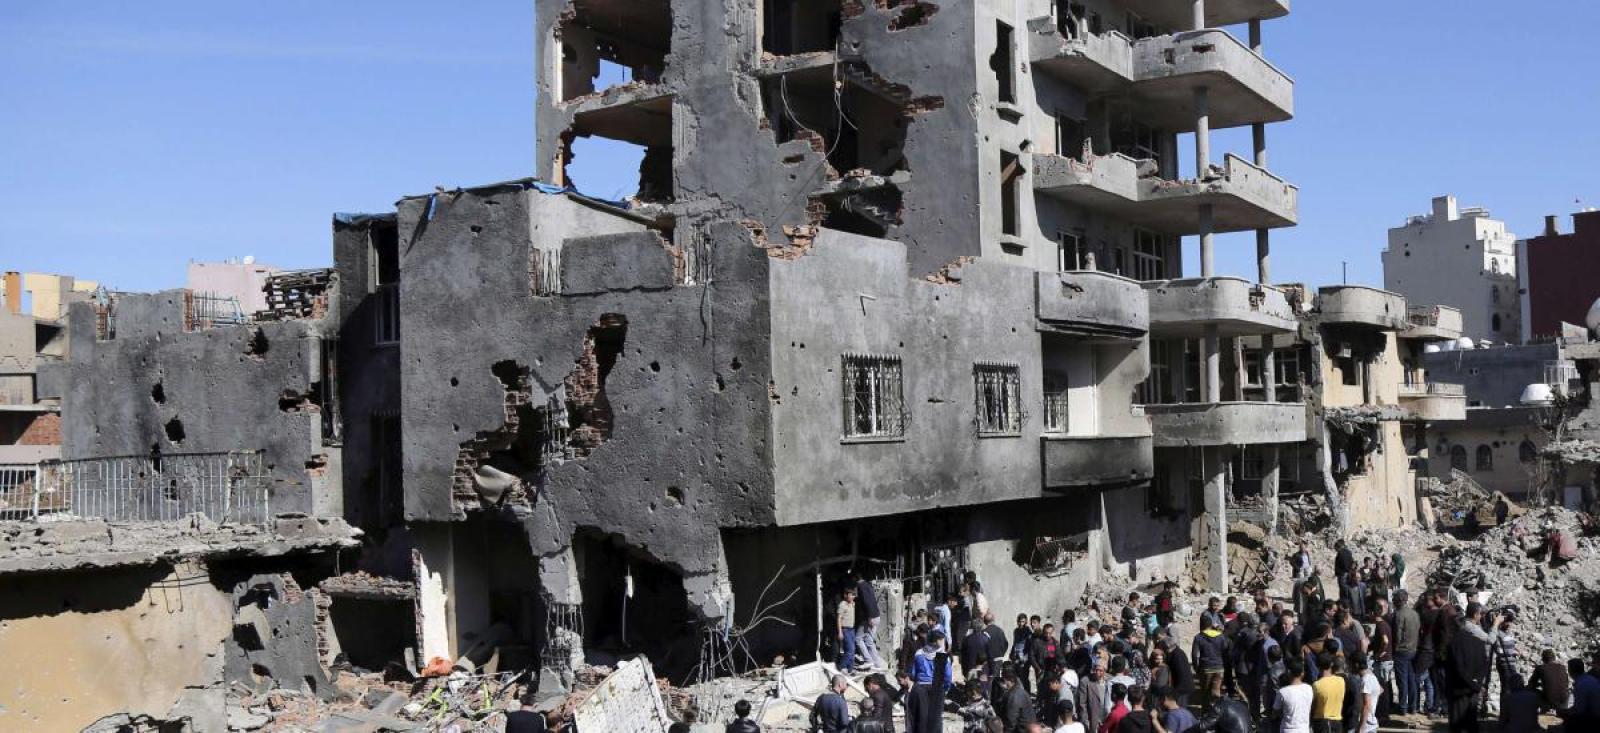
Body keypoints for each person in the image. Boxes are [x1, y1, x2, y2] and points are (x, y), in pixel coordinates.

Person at [1443, 605, 1491, 733]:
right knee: (1472, 723)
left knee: (1457, 725)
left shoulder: (1453, 644)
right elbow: (1485, 664)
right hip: (1473, 690)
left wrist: (1471, 683)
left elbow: (1458, 668)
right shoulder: (1479, 642)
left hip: (1458, 690)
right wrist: (1477, 683)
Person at [1391, 591, 1419, 716]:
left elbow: (1397, 634)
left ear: (1398, 601)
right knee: (1411, 679)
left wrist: (1395, 648)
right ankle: (1412, 707)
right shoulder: (1415, 614)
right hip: (1413, 649)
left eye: (1394, 599)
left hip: (1402, 650)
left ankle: (1402, 707)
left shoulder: (1398, 615)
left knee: (1402, 680)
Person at [1191, 616, 1229, 708]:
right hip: (1219, 668)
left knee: (1205, 693)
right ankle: (1218, 712)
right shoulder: (1220, 636)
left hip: (1206, 668)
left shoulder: (1198, 637)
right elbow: (1225, 652)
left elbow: (1194, 655)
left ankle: (1206, 713)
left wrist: (1197, 669)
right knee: (1216, 692)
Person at [853, 571, 886, 671]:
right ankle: (877, 664)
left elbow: (867, 601)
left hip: (869, 618)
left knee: (858, 639)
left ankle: (868, 660)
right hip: (876, 616)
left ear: (855, 578)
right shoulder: (868, 585)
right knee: (869, 641)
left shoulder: (861, 586)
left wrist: (870, 616)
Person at [1274, 660, 1315, 733]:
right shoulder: (1309, 688)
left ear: (1289, 672)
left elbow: (1276, 711)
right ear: (1302, 673)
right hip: (1304, 729)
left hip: (1287, 730)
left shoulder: (1282, 692)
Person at [1311, 653, 1346, 733]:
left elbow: (1313, 705)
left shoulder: (1316, 685)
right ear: (1331, 664)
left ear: (1318, 666)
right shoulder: (1341, 681)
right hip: (1337, 721)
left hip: (1322, 722)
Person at [1529, 648, 1570, 714]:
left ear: (1543, 659)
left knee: (1531, 691)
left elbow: (1531, 684)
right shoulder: (1562, 667)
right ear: (1554, 658)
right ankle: (1562, 714)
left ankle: (1539, 713)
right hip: (1564, 699)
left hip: (1549, 700)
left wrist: (1540, 684)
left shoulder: (1540, 668)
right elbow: (1566, 684)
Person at [1357, 655, 1382, 733]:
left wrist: (1361, 728)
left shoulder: (1365, 680)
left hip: (1366, 726)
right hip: (1371, 723)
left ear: (1356, 665)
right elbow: (1380, 689)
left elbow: (1366, 705)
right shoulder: (1372, 676)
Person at [837, 586, 859, 673]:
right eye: (851, 595)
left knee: (852, 651)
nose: (853, 596)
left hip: (852, 630)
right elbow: (839, 619)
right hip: (845, 630)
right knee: (850, 649)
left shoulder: (853, 604)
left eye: (854, 595)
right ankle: (841, 666)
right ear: (845, 595)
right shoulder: (842, 605)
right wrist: (840, 632)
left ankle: (850, 669)